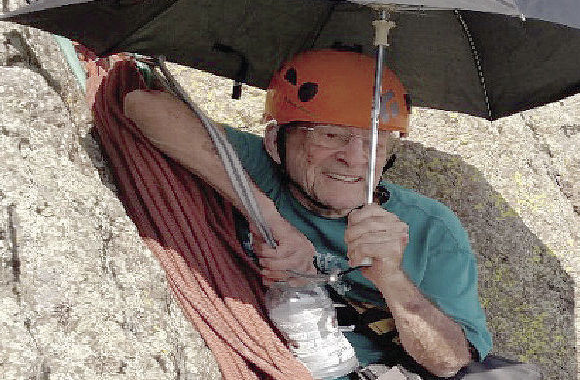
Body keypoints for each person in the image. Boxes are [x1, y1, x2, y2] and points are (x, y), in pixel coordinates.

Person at [123, 49, 492, 379]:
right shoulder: (260, 170)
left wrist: (391, 279)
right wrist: (266, 217)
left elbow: (449, 362)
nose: (354, 157)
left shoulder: (431, 229)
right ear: (275, 143)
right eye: (329, 136)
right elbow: (144, 105)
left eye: (375, 143)